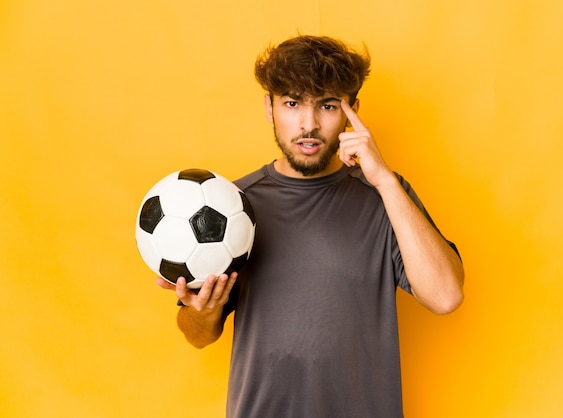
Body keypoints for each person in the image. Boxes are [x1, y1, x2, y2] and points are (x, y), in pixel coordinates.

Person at [156, 35, 464, 417]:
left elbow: (446, 296)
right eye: (291, 103)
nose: (309, 124)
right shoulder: (230, 207)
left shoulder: (385, 195)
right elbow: (198, 336)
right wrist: (201, 312)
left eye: (328, 105)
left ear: (353, 111)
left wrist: (384, 181)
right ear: (269, 107)